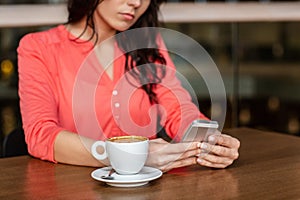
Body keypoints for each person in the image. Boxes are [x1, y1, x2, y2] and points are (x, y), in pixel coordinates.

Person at [17, 0, 240, 172]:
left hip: (149, 188)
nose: (136, 3)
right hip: (72, 187)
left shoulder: (148, 45)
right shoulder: (38, 48)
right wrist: (125, 156)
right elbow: (41, 134)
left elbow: (177, 108)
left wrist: (208, 138)